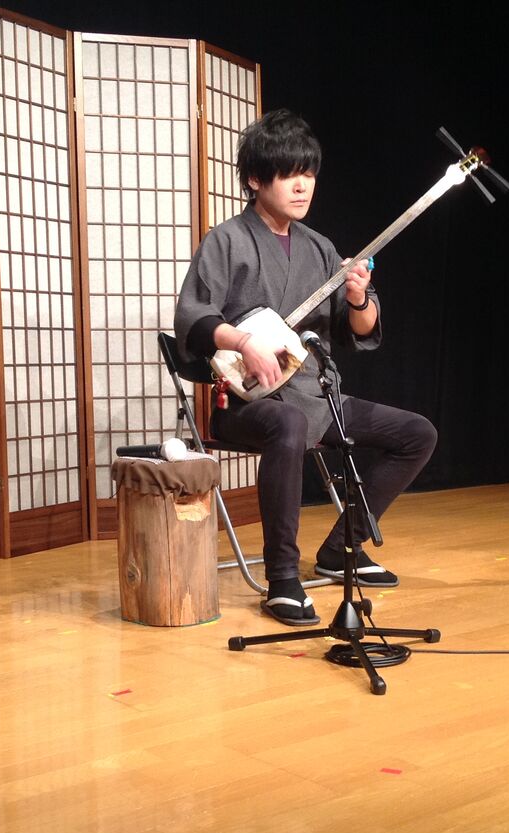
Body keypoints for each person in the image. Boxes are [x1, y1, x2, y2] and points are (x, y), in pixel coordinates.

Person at [174, 109, 437, 626]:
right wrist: (243, 341)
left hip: (318, 396)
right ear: (255, 179)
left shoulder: (320, 248)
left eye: (309, 173)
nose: (303, 186)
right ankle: (282, 578)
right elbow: (193, 316)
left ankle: (342, 547)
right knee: (288, 424)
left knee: (417, 434)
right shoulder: (226, 240)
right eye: (289, 173)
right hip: (249, 404)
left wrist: (359, 297)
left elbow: (359, 329)